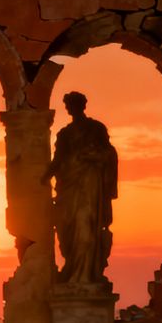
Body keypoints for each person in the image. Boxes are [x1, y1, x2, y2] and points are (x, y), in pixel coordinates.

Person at [44, 92, 118, 284]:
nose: (70, 109)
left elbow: (108, 153)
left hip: (89, 184)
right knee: (65, 229)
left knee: (86, 226)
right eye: (69, 105)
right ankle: (72, 269)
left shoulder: (96, 128)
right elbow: (58, 159)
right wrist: (45, 176)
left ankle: (85, 275)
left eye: (73, 105)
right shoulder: (65, 134)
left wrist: (92, 156)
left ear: (82, 106)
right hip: (68, 187)